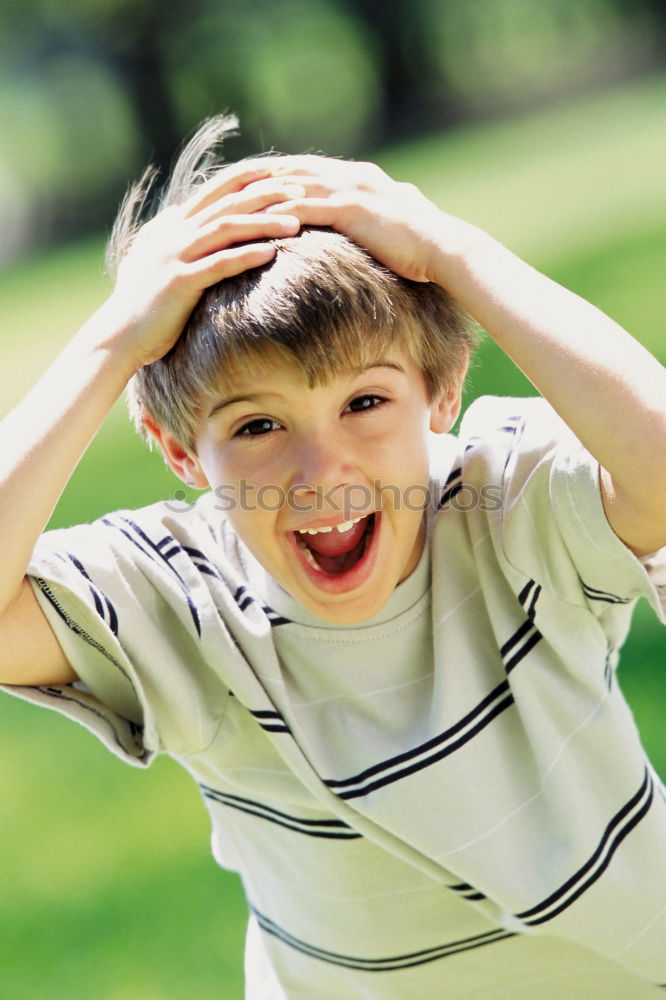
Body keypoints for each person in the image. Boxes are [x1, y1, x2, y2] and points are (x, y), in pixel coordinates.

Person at [1, 113, 665, 999]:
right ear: (181, 452)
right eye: (259, 425)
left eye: (365, 402)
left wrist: (451, 252)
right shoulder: (180, 595)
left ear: (441, 392)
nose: (322, 473)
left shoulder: (510, 504)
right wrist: (114, 338)